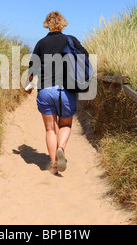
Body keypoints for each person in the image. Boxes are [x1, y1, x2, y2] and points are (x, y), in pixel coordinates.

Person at [25, 11, 89, 175]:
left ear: (47, 24)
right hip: (66, 90)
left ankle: (54, 164)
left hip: (46, 90)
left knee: (50, 129)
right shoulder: (71, 40)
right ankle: (61, 148)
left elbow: (32, 68)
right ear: (62, 23)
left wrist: (29, 84)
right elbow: (85, 56)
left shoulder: (40, 43)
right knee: (65, 124)